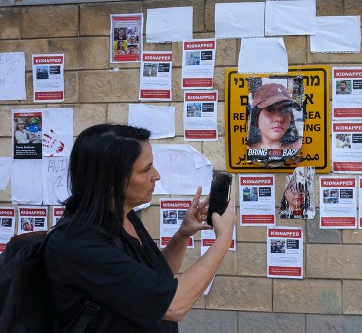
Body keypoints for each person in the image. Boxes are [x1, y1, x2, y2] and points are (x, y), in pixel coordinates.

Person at [45, 124, 236, 332]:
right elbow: (173, 305)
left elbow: (154, 280)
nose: (156, 175)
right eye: (146, 169)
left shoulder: (124, 215)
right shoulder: (80, 244)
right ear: (110, 181)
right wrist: (224, 239)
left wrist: (183, 234)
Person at [247, 83, 302, 151]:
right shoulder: (243, 149)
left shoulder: (300, 148)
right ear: (256, 115)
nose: (279, 119)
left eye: (285, 110)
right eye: (270, 110)